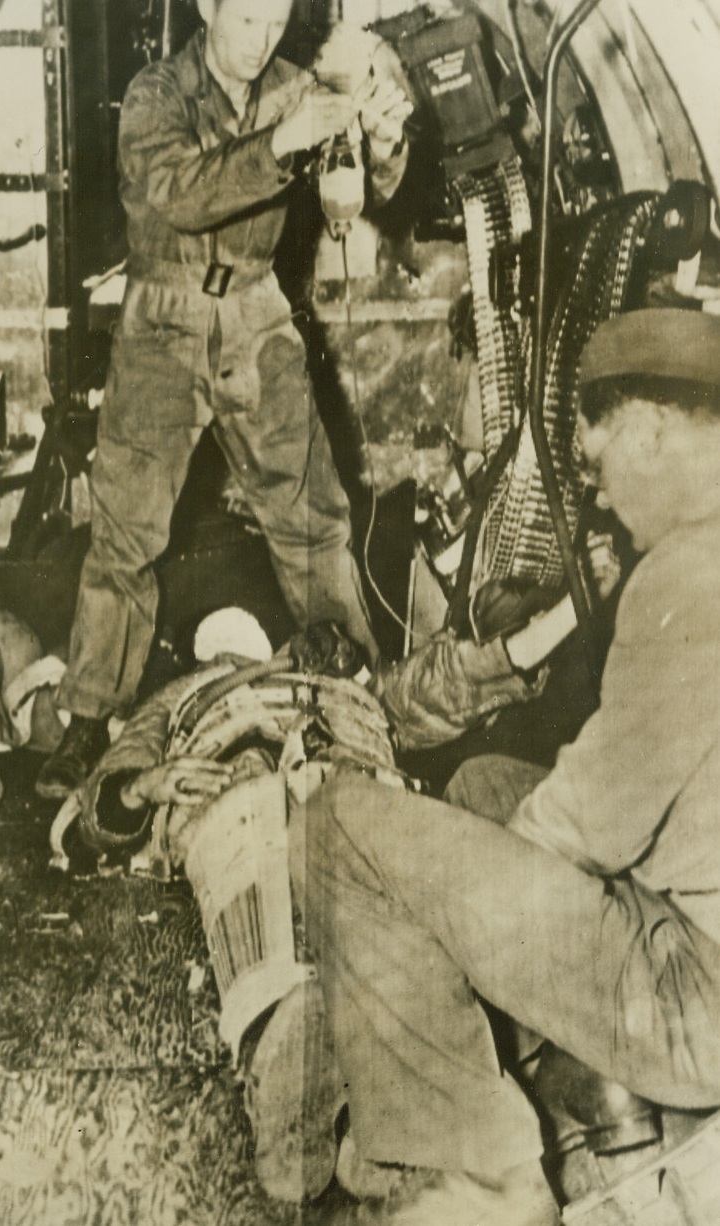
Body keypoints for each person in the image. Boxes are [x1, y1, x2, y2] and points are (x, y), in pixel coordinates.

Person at [287, 308, 720, 1224]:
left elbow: (588, 826)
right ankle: (521, 1086)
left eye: (598, 464)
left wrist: (448, 913)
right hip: (697, 931)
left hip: (694, 1002)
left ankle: (482, 1178)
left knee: (341, 828)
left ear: (650, 430)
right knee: (480, 786)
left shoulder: (689, 573)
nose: (600, 496)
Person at [36, 0, 412, 799]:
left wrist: (384, 140)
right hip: (163, 313)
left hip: (256, 310)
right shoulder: (156, 94)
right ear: (206, 6)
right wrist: (282, 141)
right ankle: (88, 718)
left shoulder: (298, 88)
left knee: (315, 521)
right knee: (126, 530)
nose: (261, 40)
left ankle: (357, 699)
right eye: (245, 19)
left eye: (275, 21)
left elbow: (365, 191)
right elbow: (180, 193)